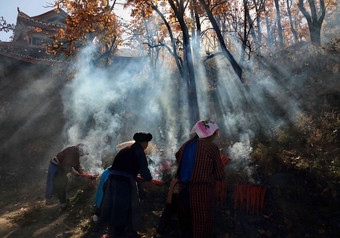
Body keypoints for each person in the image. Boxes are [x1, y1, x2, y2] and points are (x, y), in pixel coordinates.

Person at [174, 120, 226, 238]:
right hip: (201, 192)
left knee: (185, 222)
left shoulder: (185, 145)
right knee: (200, 224)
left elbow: (178, 158)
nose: (214, 137)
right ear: (210, 134)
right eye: (214, 134)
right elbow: (220, 174)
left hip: (183, 190)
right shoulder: (211, 148)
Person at [100, 132, 153, 238]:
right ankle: (120, 233)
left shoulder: (125, 149)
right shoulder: (139, 151)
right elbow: (144, 170)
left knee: (117, 206)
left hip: (112, 180)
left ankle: (126, 231)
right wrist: (148, 180)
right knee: (127, 206)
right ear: (143, 142)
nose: (147, 145)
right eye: (147, 143)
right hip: (123, 183)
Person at [45, 143, 88, 208]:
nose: (82, 155)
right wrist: (73, 172)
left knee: (63, 182)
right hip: (55, 166)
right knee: (59, 183)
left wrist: (81, 171)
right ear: (80, 150)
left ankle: (62, 200)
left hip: (61, 167)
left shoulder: (76, 153)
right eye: (82, 154)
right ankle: (53, 200)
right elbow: (66, 165)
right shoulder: (71, 152)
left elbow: (77, 164)